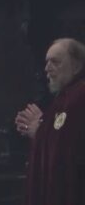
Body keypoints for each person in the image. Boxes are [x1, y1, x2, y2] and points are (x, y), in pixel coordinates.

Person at [21, 38, 85, 205]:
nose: (47, 68)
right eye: (47, 62)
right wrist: (42, 128)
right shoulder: (63, 99)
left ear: (76, 66)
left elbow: (66, 150)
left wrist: (39, 131)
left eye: (55, 62)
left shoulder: (78, 97)